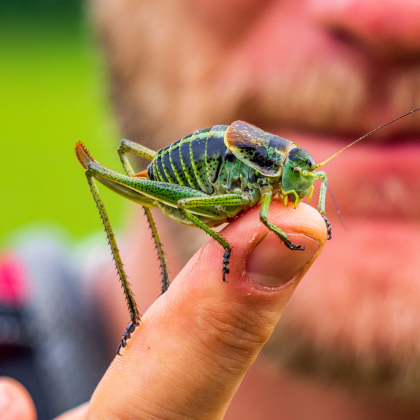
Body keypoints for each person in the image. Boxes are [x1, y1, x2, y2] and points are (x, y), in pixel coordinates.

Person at [3, 0, 420, 418]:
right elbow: (191, 203)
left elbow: (315, 180)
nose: (385, 18)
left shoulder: (288, 168)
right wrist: (254, 233)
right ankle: (138, 312)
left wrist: (320, 219)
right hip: (188, 182)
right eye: (295, 175)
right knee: (125, 178)